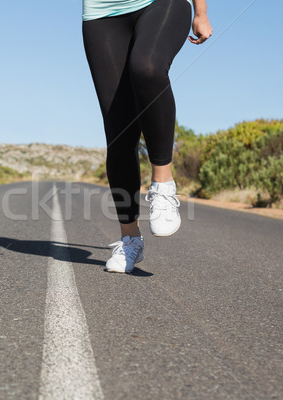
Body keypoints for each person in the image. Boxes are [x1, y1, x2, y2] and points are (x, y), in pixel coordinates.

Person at [82, 0, 212, 273]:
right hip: (101, 13)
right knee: (119, 131)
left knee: (147, 67)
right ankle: (130, 240)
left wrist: (200, 11)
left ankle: (163, 186)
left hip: (162, 4)